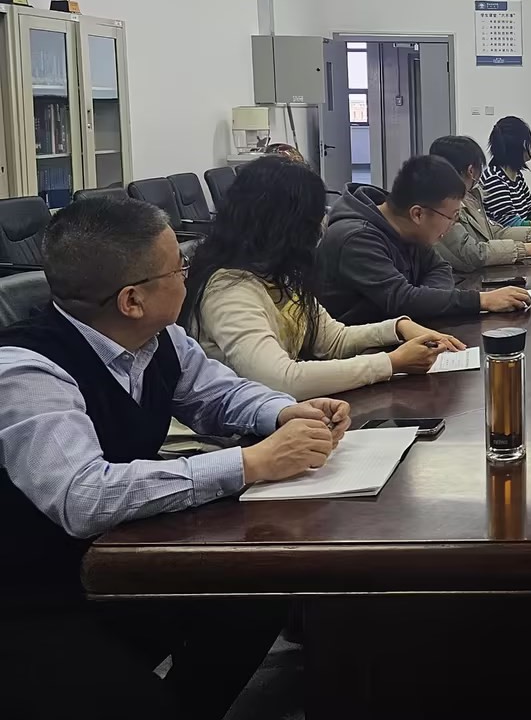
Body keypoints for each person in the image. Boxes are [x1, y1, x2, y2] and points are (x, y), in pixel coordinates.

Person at [0, 197, 353, 719]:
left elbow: (221, 395)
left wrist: (284, 413)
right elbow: (83, 496)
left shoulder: (158, 338)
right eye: (178, 269)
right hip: (34, 598)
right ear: (132, 300)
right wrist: (251, 463)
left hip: (125, 562)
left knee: (260, 594)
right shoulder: (25, 371)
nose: (188, 275)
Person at [183, 155, 467, 398]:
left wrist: (398, 327)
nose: (320, 229)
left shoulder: (279, 273)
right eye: (312, 220)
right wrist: (390, 363)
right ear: (282, 226)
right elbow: (282, 380)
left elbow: (333, 340)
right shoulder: (228, 290)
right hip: (240, 433)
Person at [317, 154, 531, 324]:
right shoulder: (356, 238)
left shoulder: (409, 229)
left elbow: (440, 268)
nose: (453, 224)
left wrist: (426, 298)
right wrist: (481, 300)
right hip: (360, 353)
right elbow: (402, 300)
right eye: (452, 216)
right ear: (418, 214)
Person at [428, 134, 531, 272]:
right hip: (460, 280)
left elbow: (492, 232)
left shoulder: (469, 197)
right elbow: (471, 253)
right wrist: (525, 249)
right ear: (471, 171)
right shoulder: (441, 206)